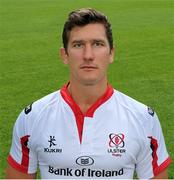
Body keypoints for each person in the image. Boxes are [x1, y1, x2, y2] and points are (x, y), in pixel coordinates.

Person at [5, 8, 171, 179]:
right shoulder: (32, 117)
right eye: (78, 45)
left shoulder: (143, 119)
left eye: (97, 44)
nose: (88, 55)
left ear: (111, 53)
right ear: (65, 55)